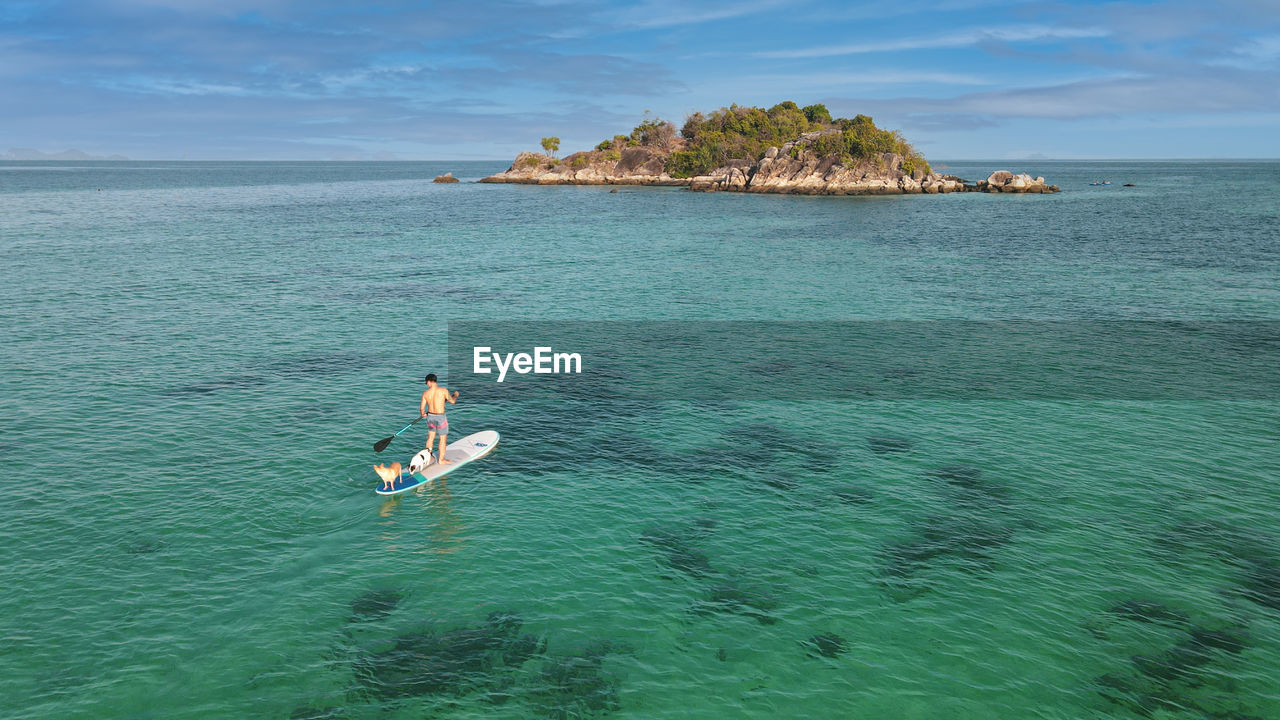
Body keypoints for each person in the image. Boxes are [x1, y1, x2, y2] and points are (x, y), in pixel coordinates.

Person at [420, 374, 459, 465]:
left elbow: (422, 409)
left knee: (430, 438)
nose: (427, 384)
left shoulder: (425, 393)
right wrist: (455, 395)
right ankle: (441, 460)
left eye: (426, 383)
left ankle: (429, 458)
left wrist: (423, 414)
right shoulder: (443, 391)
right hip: (440, 418)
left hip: (430, 417)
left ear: (429, 381)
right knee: (442, 439)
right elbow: (452, 401)